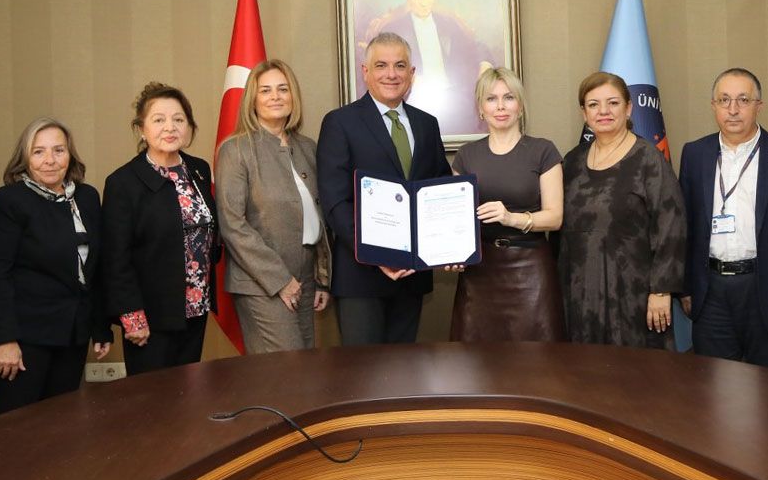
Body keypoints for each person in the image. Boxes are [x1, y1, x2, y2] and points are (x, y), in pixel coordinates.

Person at [317, 32, 452, 346]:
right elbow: (335, 201)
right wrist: (377, 255)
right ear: (365, 72)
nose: (391, 74)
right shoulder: (340, 122)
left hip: (412, 276)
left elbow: (440, 188)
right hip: (361, 276)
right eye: (381, 65)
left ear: (412, 73)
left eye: (400, 65)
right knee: (365, 371)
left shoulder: (427, 124)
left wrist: (450, 244)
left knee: (405, 369)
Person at [678, 68, 768, 369]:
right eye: (724, 100)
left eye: (743, 100)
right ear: (713, 105)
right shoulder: (695, 154)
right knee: (713, 384)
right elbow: (685, 228)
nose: (733, 109)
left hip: (765, 289)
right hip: (710, 290)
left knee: (767, 386)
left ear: (759, 106)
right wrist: (686, 288)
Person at [0, 117, 111, 414]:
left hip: (73, 335)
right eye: (38, 152)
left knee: (60, 424)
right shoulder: (11, 201)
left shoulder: (87, 198)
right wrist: (5, 339)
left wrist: (100, 327)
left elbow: (95, 268)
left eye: (58, 150)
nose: (50, 160)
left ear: (70, 155)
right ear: (25, 158)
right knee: (17, 428)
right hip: (25, 337)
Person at [559, 72, 686, 348]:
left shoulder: (648, 159)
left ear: (628, 108)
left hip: (634, 295)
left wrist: (661, 290)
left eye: (613, 103)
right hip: (581, 294)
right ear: (584, 113)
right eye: (593, 104)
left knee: (634, 371)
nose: (603, 111)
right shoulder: (571, 162)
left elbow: (671, 227)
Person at [103, 82, 218, 375]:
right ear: (142, 129)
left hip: (195, 307)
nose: (170, 127)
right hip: (149, 316)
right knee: (152, 397)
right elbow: (116, 258)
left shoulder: (199, 170)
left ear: (189, 127)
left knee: (190, 390)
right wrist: (131, 316)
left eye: (178, 119)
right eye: (158, 120)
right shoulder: (123, 183)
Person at [217, 60, 331, 353]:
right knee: (283, 369)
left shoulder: (307, 148)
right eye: (265, 90)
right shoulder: (235, 149)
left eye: (283, 89)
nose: (275, 96)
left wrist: (321, 279)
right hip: (261, 281)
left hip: (305, 277)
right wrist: (280, 280)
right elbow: (232, 224)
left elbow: (319, 215)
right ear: (252, 100)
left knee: (303, 366)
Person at [450, 67, 564, 342]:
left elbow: (555, 218)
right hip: (479, 273)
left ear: (520, 106)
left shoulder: (543, 151)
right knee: (476, 360)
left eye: (508, 97)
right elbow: (455, 221)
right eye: (491, 99)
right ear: (481, 109)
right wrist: (452, 253)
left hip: (531, 271)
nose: (500, 106)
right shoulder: (466, 156)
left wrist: (510, 217)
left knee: (536, 361)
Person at [364, 0, 498, 133]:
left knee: (470, 125)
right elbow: (379, 62)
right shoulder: (394, 28)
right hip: (413, 97)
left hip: (454, 97)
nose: (424, 3)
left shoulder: (448, 24)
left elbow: (474, 46)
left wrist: (484, 62)